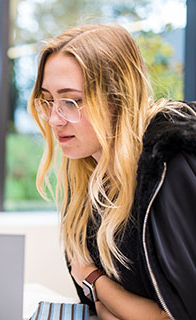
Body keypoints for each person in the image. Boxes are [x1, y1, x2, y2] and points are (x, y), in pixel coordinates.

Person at [28, 24, 196, 319]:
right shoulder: (85, 175)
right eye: (49, 100)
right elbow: (99, 309)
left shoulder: (168, 163)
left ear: (117, 98)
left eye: (71, 101)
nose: (54, 118)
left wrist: (96, 281)